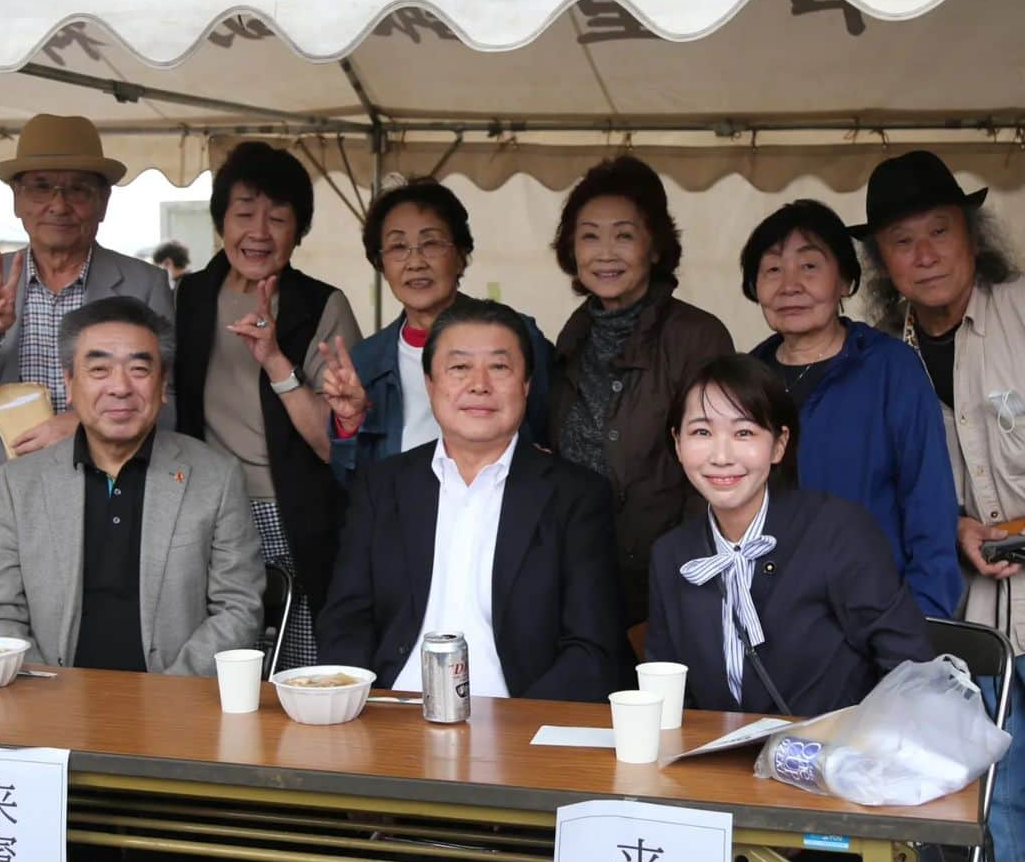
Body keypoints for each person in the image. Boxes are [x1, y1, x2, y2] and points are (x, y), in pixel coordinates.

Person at [317, 297, 628, 862]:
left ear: (526, 384)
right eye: (459, 368)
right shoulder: (383, 486)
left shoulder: (575, 495)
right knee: (250, 828)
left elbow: (594, 649)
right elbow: (346, 620)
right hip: (390, 729)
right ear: (430, 386)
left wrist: (505, 734)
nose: (478, 385)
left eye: (498, 367)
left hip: (515, 739)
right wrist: (363, 718)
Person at [0, 297, 264, 862]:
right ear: (68, 385)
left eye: (140, 369)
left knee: (175, 830)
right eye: (98, 369)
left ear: (161, 389)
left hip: (174, 725)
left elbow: (239, 607)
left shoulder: (212, 476)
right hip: (48, 725)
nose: (120, 387)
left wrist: (159, 704)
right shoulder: (22, 483)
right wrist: (52, 702)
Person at [648, 353, 933, 862]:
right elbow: (671, 695)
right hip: (723, 803)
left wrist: (848, 761)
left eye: (744, 432)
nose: (721, 455)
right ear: (677, 445)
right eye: (701, 432)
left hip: (832, 800)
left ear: (779, 445)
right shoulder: (673, 553)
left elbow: (910, 670)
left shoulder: (838, 532)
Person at [853, 150, 1025, 862]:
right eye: (901, 241)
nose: (923, 254)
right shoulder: (883, 356)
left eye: (939, 232)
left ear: (972, 235)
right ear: (880, 262)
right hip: (963, 613)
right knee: (993, 789)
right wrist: (956, 523)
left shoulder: (1024, 308)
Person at [0, 114, 174, 632]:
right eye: (41, 188)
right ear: (16, 201)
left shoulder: (142, 283)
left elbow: (168, 395)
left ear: (103, 204)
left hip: (104, 495)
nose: (59, 204)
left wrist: (79, 421)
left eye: (77, 190)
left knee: (93, 643)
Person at [175, 140, 361, 669]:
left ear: (298, 231)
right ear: (220, 223)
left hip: (288, 512)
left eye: (278, 218)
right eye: (243, 214)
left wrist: (276, 358)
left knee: (289, 671)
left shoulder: (321, 305)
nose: (258, 232)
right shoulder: (189, 297)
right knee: (213, 667)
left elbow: (333, 442)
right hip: (204, 509)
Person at [742, 198, 962, 617]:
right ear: (755, 287)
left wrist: (920, 626)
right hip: (766, 623)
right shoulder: (744, 383)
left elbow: (929, 508)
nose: (789, 285)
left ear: (845, 280)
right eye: (772, 270)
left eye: (809, 267)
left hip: (873, 618)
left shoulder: (891, 369)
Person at [548, 154, 734, 647]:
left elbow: (717, 472)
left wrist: (682, 587)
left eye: (624, 235)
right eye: (589, 235)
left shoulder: (696, 336)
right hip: (579, 586)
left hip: (665, 590)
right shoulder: (568, 344)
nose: (605, 252)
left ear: (654, 247)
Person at [322, 176, 552, 487]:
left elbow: (553, 434)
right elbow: (352, 483)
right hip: (402, 524)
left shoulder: (515, 336)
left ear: (461, 255)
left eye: (430, 243)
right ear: (381, 264)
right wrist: (348, 425)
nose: (415, 262)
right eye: (398, 247)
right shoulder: (365, 361)